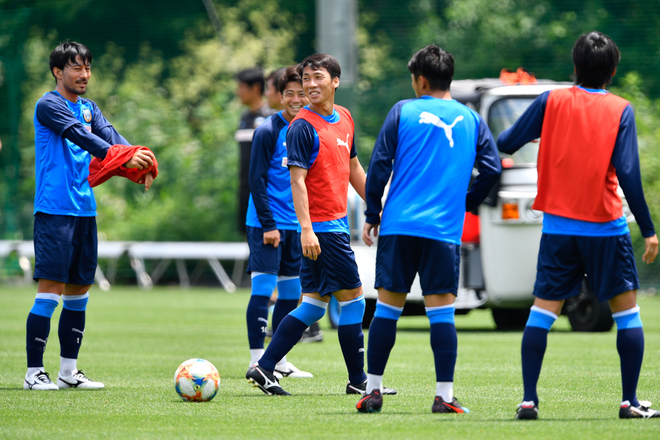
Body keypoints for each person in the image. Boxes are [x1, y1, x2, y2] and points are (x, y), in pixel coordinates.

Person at [497, 31, 659, 420]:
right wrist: (650, 229)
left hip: (558, 230)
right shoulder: (621, 108)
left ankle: (529, 400)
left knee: (542, 313)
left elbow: (506, 141)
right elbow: (629, 174)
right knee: (627, 315)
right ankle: (629, 402)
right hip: (605, 228)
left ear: (574, 66)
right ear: (613, 71)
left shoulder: (550, 100)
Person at [356, 44, 502, 413]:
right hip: (442, 231)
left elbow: (379, 166)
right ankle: (444, 396)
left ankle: (373, 391)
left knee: (388, 310)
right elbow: (493, 169)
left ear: (420, 80)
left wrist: (373, 213)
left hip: (399, 226)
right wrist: (468, 201)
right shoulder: (470, 119)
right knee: (442, 314)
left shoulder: (403, 111)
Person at [246, 54, 395, 397]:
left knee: (312, 305)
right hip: (323, 231)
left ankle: (264, 367)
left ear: (335, 82)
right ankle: (359, 381)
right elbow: (296, 182)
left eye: (317, 78)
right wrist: (307, 229)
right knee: (355, 301)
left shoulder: (344, 117)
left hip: (333, 226)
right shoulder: (301, 126)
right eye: (306, 78)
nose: (311, 85)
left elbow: (354, 167)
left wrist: (376, 208)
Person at [25, 41, 156, 390]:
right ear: (58, 71)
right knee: (50, 290)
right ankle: (33, 373)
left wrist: (137, 161)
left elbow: (112, 138)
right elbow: (81, 137)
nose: (84, 75)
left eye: (87, 68)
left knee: (79, 291)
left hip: (84, 209)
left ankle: (69, 372)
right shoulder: (49, 104)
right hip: (54, 210)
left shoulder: (89, 107)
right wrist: (122, 157)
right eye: (76, 68)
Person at [245, 66, 314, 379]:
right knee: (262, 291)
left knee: (291, 294)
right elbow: (256, 180)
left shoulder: (310, 128)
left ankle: (280, 361)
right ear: (279, 95)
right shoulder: (267, 130)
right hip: (266, 224)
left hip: (296, 225)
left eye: (301, 93)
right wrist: (269, 224)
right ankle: (256, 359)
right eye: (289, 93)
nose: (296, 99)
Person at [235, 67, 275, 235]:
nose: (238, 92)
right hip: (245, 188)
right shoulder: (244, 118)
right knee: (248, 236)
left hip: (266, 191)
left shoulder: (271, 117)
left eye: (241, 87)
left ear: (256, 87)